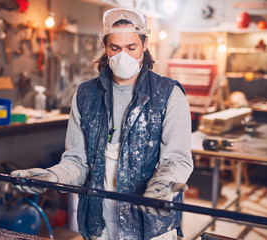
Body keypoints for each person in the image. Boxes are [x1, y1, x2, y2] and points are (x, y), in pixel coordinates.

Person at [12, 8, 193, 239]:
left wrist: (164, 186)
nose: (123, 56)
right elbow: (78, 161)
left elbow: (177, 159)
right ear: (105, 46)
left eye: (131, 48)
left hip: (150, 227)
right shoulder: (86, 95)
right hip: (99, 225)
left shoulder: (168, 94)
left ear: (145, 44)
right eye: (115, 48)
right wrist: (52, 177)